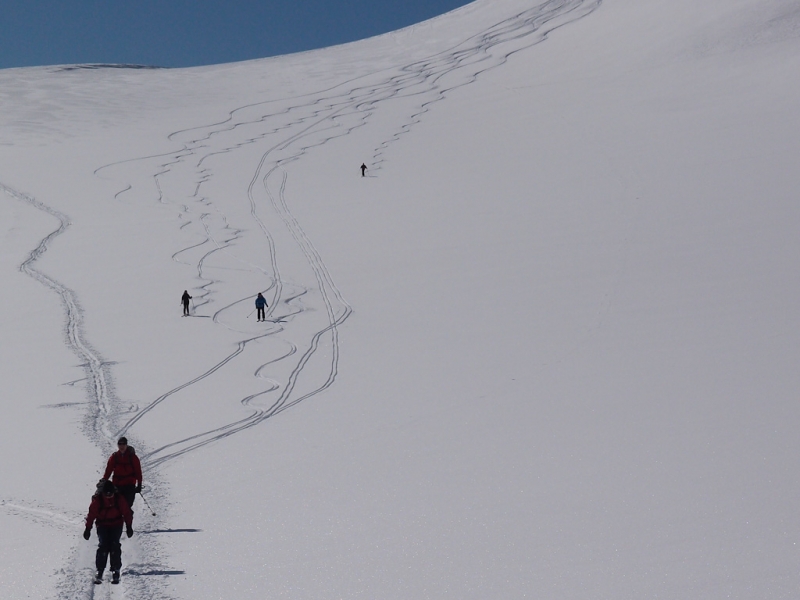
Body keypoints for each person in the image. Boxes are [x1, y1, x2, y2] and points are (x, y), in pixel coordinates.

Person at [83, 479, 133, 585]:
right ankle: (100, 570)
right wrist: (88, 529)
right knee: (103, 546)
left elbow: (126, 512)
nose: (109, 497)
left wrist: (129, 526)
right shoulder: (98, 501)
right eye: (107, 495)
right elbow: (91, 515)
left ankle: (116, 569)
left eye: (111, 495)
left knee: (115, 545)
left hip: (117, 524)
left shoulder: (119, 499)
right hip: (102, 525)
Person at [102, 437, 142, 513]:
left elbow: (138, 471)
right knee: (117, 506)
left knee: (127, 505)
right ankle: (120, 523)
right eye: (120, 444)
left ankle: (128, 522)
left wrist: (139, 484)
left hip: (130, 485)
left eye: (123, 444)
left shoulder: (132, 457)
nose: (121, 446)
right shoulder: (114, 457)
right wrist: (104, 480)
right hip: (117, 485)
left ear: (126, 445)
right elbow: (108, 469)